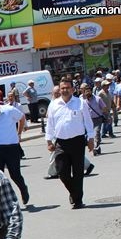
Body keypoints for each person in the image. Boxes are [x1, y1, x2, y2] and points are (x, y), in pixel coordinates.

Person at [46, 78, 95, 209]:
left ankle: (77, 200)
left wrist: (91, 139)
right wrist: (49, 140)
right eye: (62, 88)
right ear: (59, 89)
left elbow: (88, 122)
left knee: (78, 172)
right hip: (61, 143)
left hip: (77, 141)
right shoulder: (54, 104)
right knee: (62, 172)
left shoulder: (80, 103)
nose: (65, 90)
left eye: (67, 87)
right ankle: (74, 192)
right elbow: (50, 124)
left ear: (72, 89)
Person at [0, 96, 30, 205]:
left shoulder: (9, 110)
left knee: (15, 174)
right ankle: (1, 200)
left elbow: (22, 118)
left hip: (11, 147)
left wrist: (19, 133)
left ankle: (23, 188)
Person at [81, 83, 107, 150]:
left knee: (97, 132)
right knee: (89, 134)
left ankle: (96, 147)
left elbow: (104, 108)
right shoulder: (82, 101)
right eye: (86, 91)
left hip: (97, 119)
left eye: (89, 91)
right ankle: (95, 145)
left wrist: (107, 116)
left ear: (91, 91)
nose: (87, 93)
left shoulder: (98, 99)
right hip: (88, 120)